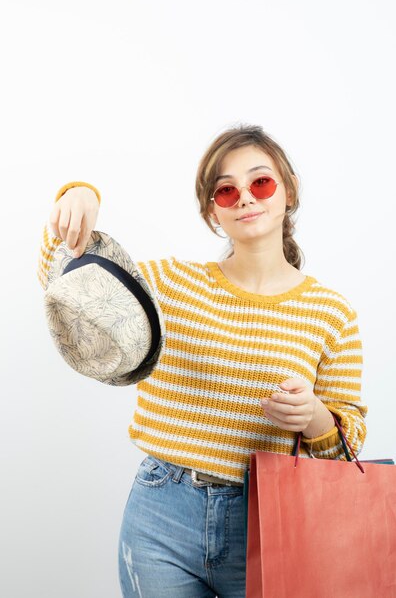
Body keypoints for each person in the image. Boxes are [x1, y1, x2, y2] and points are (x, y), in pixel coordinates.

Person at [37, 124, 367, 598]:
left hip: (270, 524)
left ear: (287, 192)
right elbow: (65, 279)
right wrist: (78, 197)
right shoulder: (169, 284)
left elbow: (348, 444)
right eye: (226, 191)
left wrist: (315, 418)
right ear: (213, 212)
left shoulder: (331, 314)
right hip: (161, 516)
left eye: (261, 183)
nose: (246, 199)